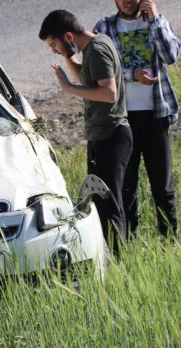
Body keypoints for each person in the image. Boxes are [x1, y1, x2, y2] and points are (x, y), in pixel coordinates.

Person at [39, 10, 132, 253]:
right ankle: (110, 257)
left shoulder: (98, 50)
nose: (53, 50)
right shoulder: (92, 49)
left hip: (112, 134)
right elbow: (89, 79)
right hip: (103, 136)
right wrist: (68, 59)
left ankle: (118, 262)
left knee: (109, 204)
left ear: (68, 35)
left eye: (54, 44)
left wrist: (68, 88)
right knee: (101, 203)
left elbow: (108, 93)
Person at [94, 0, 179, 239]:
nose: (128, 1)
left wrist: (154, 21)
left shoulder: (158, 23)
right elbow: (102, 70)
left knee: (163, 187)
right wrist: (134, 75)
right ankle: (128, 245)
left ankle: (170, 243)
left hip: (156, 115)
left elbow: (170, 56)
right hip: (121, 120)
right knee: (126, 186)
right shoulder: (104, 28)